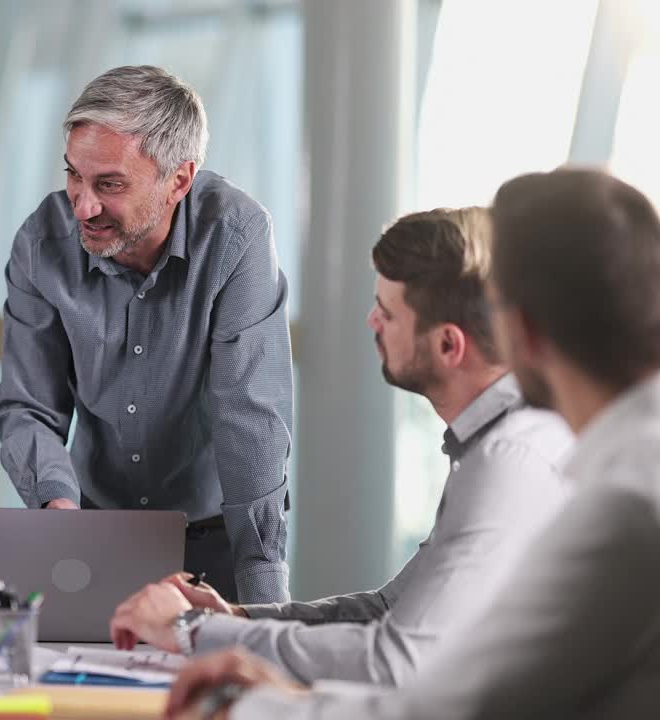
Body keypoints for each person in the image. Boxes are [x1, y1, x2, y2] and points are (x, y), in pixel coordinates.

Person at [164, 169, 660, 719]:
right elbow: (412, 636)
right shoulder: (613, 467)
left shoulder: (609, 494)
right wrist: (239, 631)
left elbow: (441, 697)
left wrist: (242, 703)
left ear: (525, 331)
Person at [109, 208, 571, 685]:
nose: (371, 320)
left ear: (449, 346)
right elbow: (389, 610)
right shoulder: (499, 443)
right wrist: (237, 620)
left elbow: (394, 662)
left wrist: (190, 630)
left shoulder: (509, 463)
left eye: (387, 313)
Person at [0, 65, 294, 603]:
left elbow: (250, 420)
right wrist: (54, 505)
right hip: (90, 531)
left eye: (109, 184)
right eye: (73, 176)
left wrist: (266, 613)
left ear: (178, 180)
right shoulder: (42, 243)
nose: (82, 205)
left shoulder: (237, 237)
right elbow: (27, 404)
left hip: (213, 536)